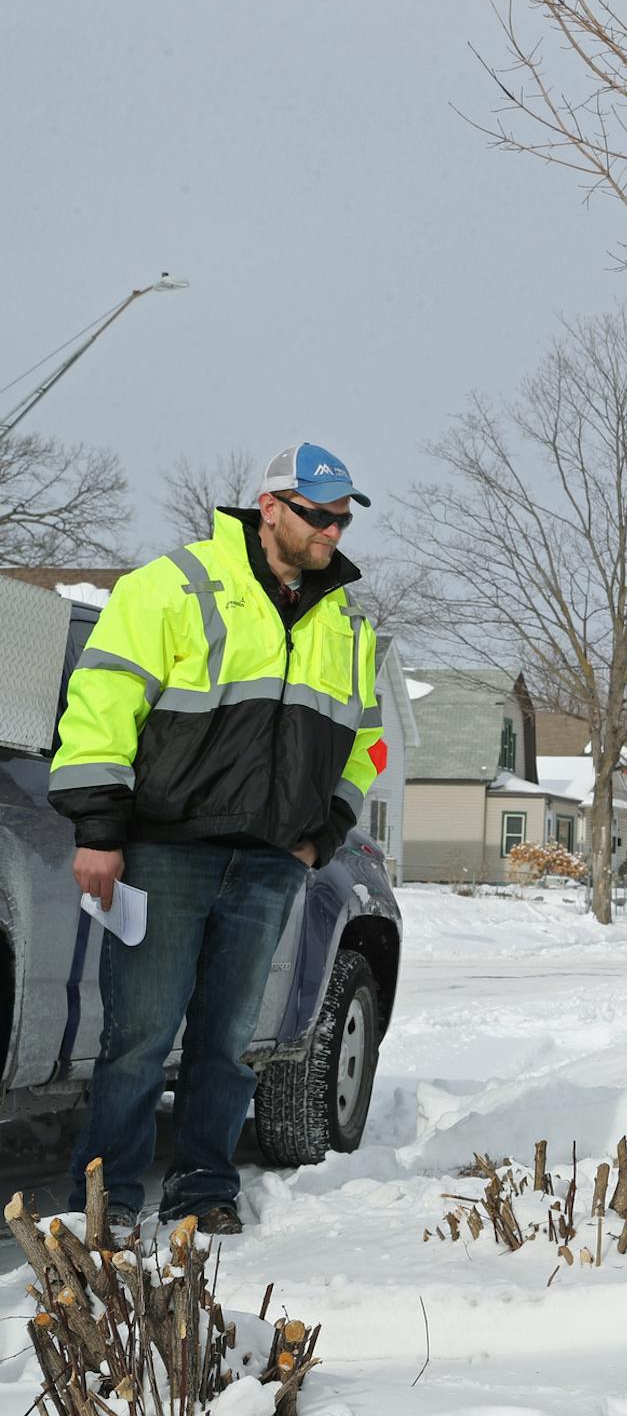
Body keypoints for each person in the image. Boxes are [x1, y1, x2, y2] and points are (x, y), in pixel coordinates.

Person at [49, 443, 384, 1235]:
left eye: (341, 516)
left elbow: (366, 744)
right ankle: (109, 1205)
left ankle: (204, 1190)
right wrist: (99, 826)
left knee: (230, 1044)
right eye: (316, 515)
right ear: (269, 508)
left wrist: (325, 831)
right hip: (167, 851)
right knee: (138, 1039)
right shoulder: (174, 585)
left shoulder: (345, 622)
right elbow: (101, 703)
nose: (332, 531)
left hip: (270, 864)